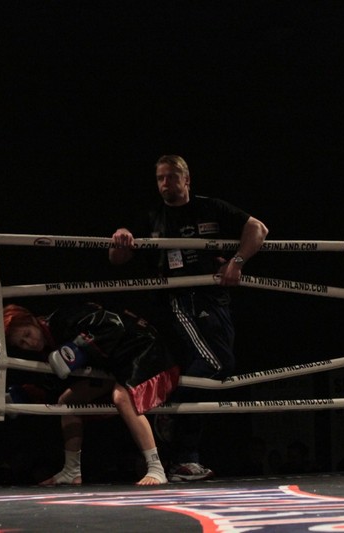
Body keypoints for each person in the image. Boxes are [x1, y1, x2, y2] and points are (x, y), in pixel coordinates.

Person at [109, 154, 269, 481]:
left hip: (216, 297)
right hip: (179, 299)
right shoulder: (152, 216)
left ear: (186, 179)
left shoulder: (210, 207)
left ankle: (185, 456)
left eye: (171, 176)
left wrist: (237, 261)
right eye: (160, 178)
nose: (165, 183)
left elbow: (258, 228)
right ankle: (173, 422)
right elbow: (116, 258)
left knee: (216, 369)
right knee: (215, 363)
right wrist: (121, 236)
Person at [3, 301, 180, 486]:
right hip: (116, 365)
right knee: (68, 401)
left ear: (33, 320)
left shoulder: (65, 317)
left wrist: (79, 346)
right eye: (22, 343)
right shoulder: (48, 343)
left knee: (122, 398)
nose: (30, 343)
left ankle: (156, 468)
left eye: (27, 334)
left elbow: (115, 325)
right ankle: (71, 470)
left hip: (143, 348)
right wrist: (28, 393)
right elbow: (57, 380)